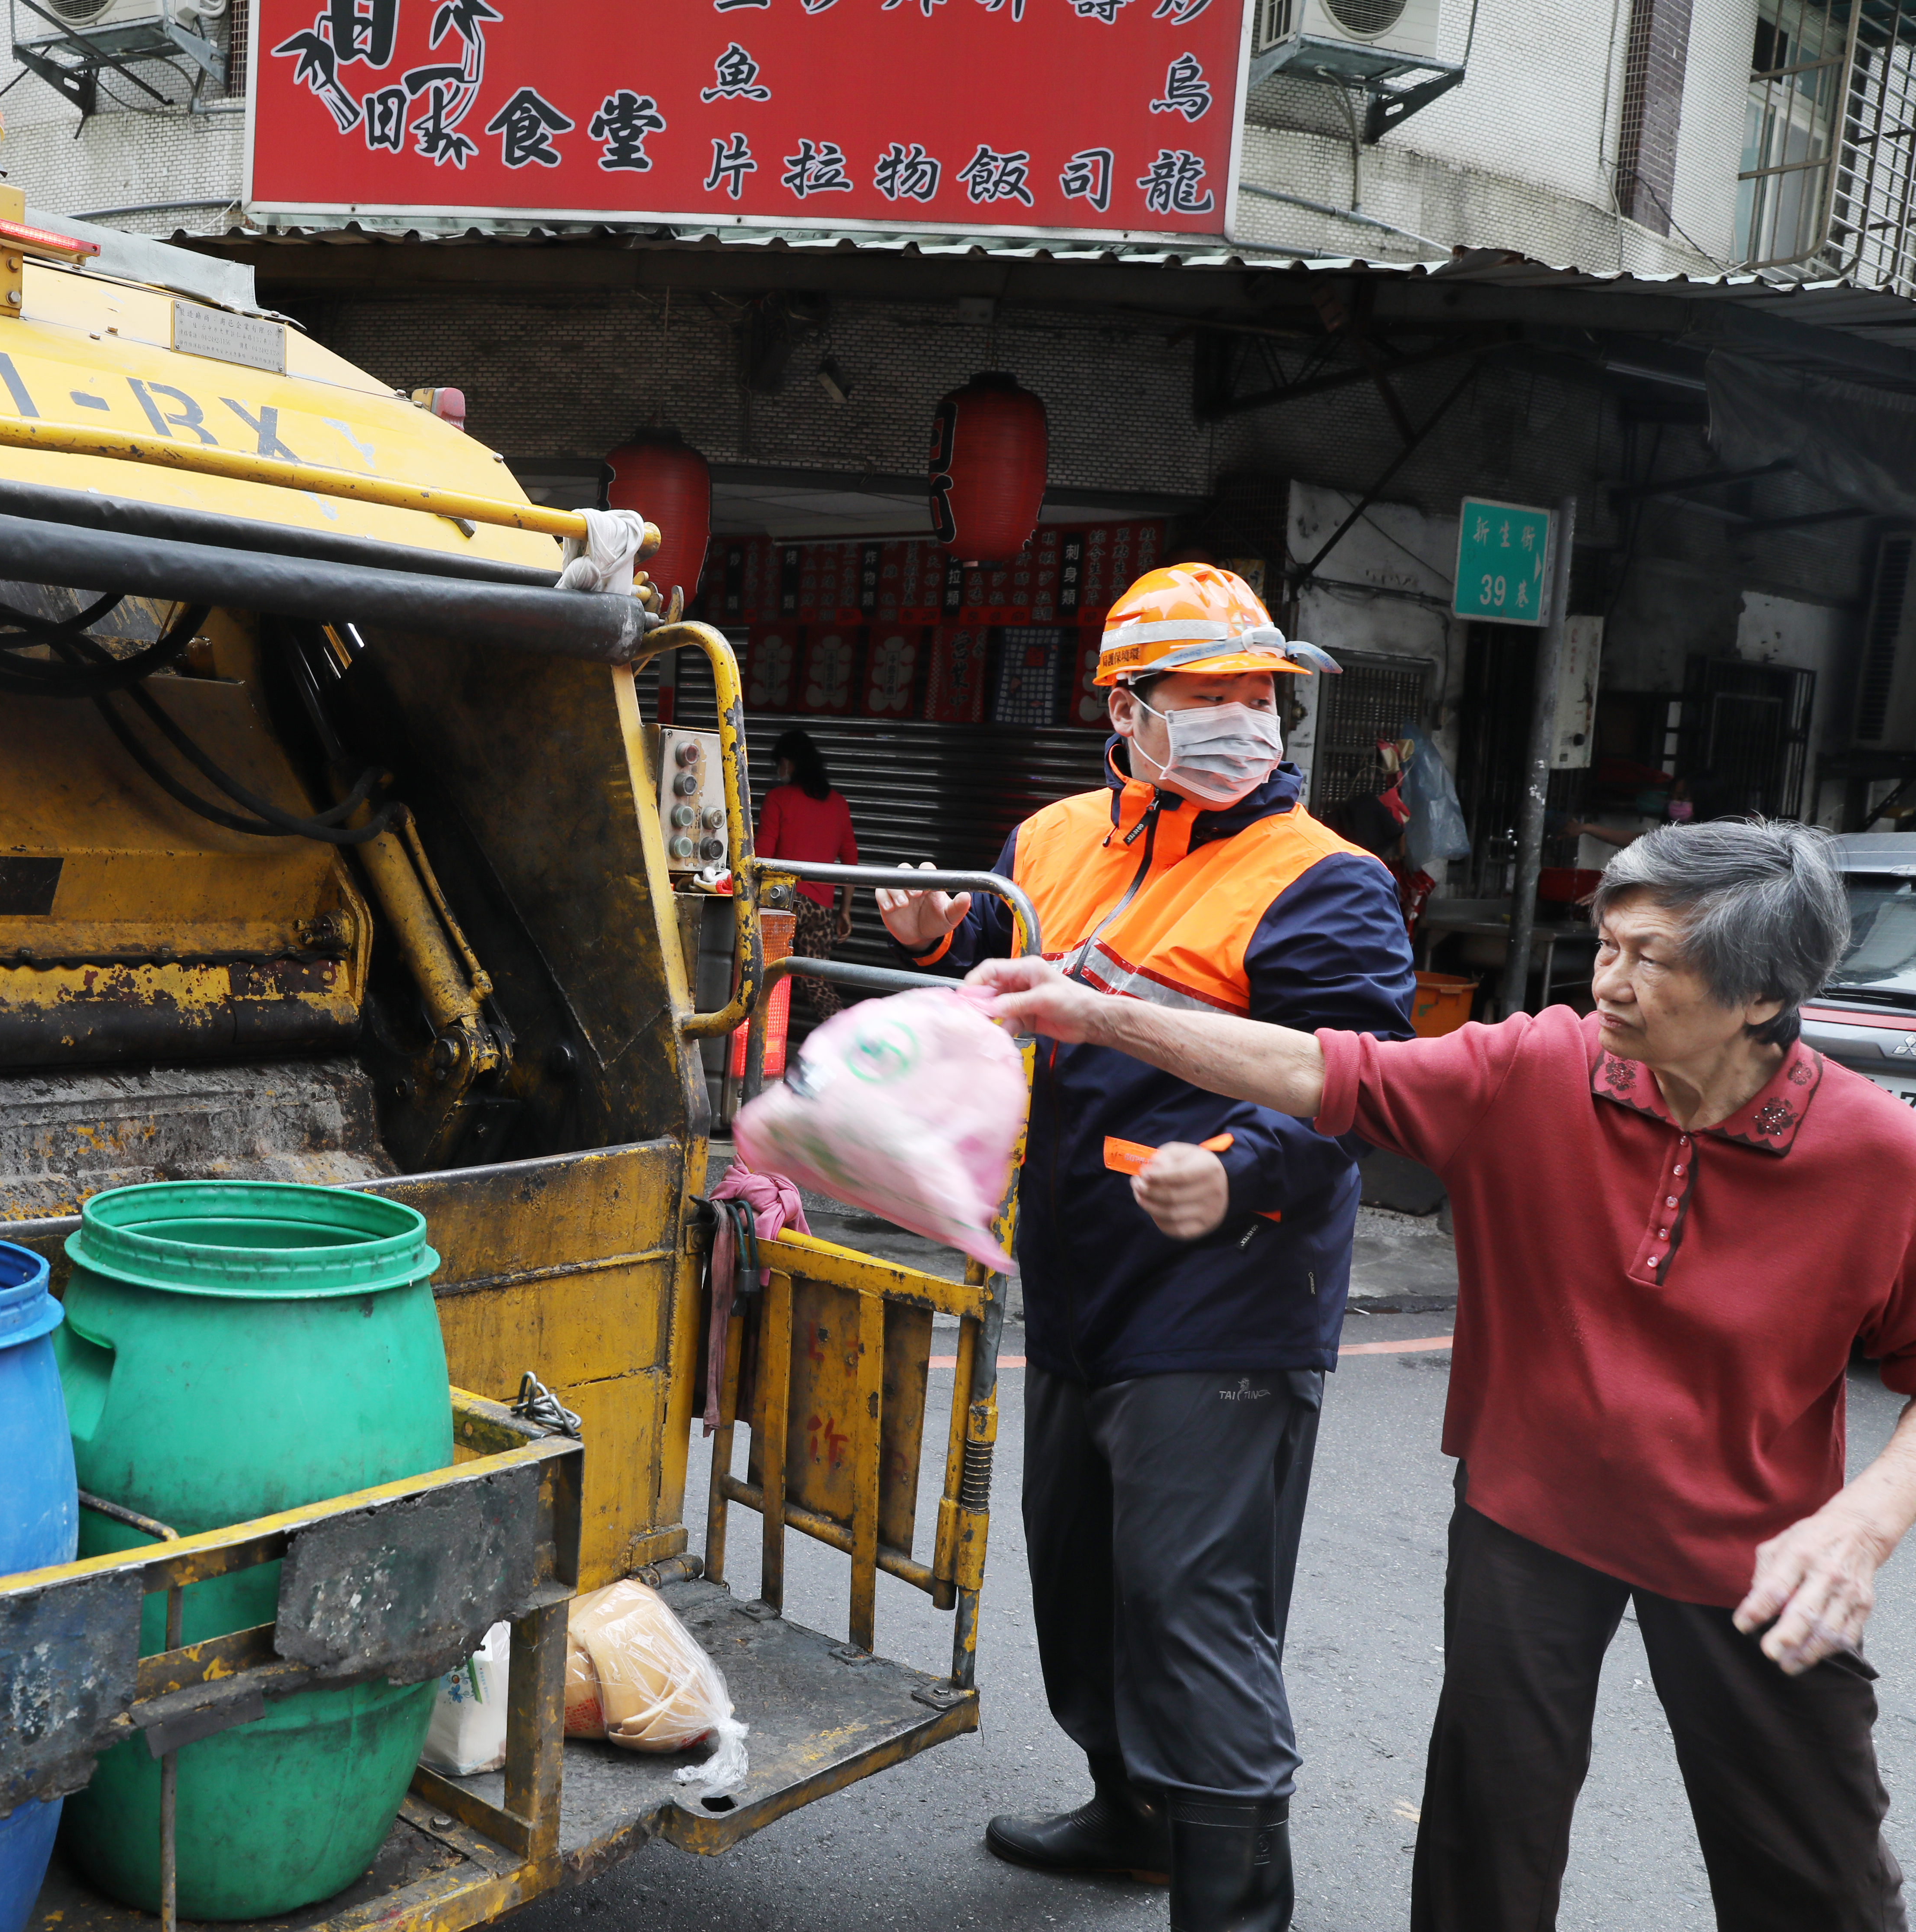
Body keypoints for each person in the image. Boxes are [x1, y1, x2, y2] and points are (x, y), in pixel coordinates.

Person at [968, 818, 1916, 1932]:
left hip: (1756, 1556)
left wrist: (1859, 1526)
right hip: (1528, 1519)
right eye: (1604, 944)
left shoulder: (1876, 1158)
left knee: (1815, 1877)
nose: (1605, 980)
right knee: (1484, 1851)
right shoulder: (1539, 1067)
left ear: (1761, 998)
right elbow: (1325, 1067)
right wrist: (1094, 1015)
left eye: (1649, 957)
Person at [876, 564, 1414, 1932]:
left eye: (1260, 694)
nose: (1247, 717)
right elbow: (995, 968)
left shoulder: (1322, 881)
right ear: (1123, 707)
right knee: (1081, 1580)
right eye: (1209, 693)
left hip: (1225, 1294)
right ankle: (1130, 1814)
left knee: (1190, 1601)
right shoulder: (1051, 835)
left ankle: (1231, 1900)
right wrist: (938, 932)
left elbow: (1353, 1081)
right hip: (1070, 1280)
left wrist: (1238, 1169)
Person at [755, 728, 860, 1019]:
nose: (779, 771)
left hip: (782, 905)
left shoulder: (778, 799)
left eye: (780, 764)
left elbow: (762, 855)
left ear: (789, 763)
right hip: (821, 910)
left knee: (766, 979)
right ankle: (844, 1033)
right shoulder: (838, 804)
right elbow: (851, 861)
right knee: (817, 985)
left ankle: (759, 1046)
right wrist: (845, 911)